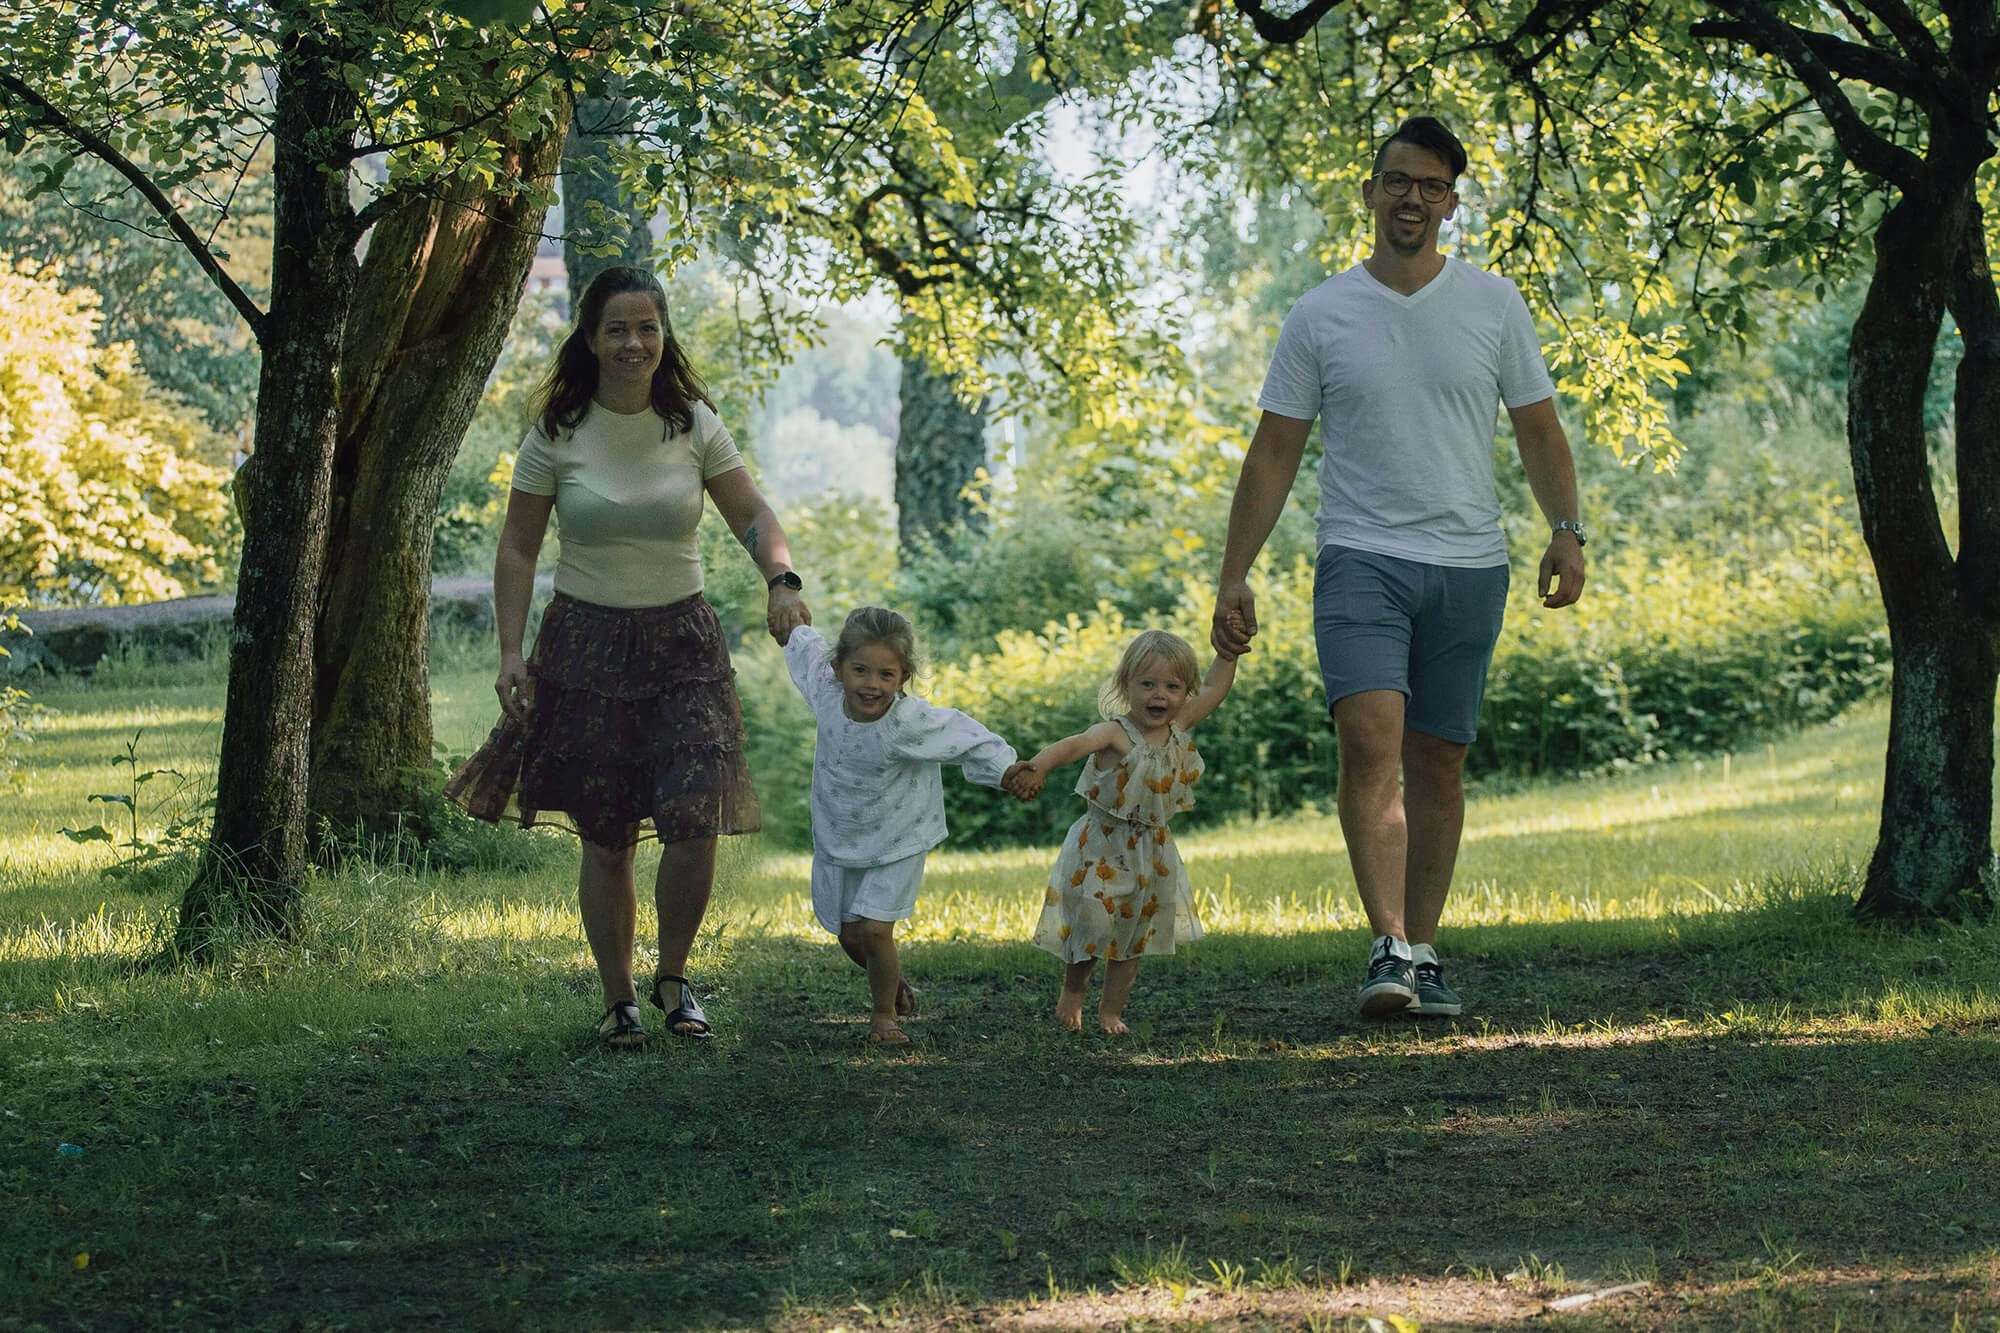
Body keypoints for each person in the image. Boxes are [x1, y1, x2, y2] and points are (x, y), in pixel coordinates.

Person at [1210, 115, 1586, 1021]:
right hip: (1360, 558)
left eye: (1431, 185)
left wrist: (1567, 530)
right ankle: (1385, 942)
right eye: (1398, 181)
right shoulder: (1322, 312)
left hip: (1469, 564)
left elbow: (1538, 428)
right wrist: (1234, 574)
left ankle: (1421, 950)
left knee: (1440, 762)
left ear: (1451, 202)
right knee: (1370, 740)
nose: (1412, 197)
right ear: (1370, 193)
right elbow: (1272, 455)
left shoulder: (1494, 305)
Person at [446, 266, 811, 1049]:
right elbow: (517, 546)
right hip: (585, 646)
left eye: (647, 327)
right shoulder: (557, 431)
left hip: (683, 644)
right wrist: (510, 651)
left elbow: (752, 514)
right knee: (606, 833)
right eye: (617, 328)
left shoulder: (693, 425)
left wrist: (781, 580)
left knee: (695, 818)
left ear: (664, 334)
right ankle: (619, 999)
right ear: (590, 336)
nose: (634, 342)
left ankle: (676, 979)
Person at [782, 606, 1019, 1045]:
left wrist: (1007, 770)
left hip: (899, 836)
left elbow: (963, 735)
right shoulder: (825, 691)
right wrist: (789, 622)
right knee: (851, 936)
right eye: (860, 671)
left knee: (874, 928)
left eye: (886, 675)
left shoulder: (907, 721)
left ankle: (883, 1017)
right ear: (839, 669)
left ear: (903, 677)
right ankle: (891, 982)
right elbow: (805, 650)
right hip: (840, 835)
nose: (871, 685)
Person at [1006, 630, 1237, 1034]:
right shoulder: (1114, 732)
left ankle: (1111, 1011)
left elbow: (1217, 687)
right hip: (1101, 844)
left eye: (1172, 686)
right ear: (1126, 685)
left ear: (1185, 692)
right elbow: (1073, 745)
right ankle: (1073, 992)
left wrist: (1229, 652)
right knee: (1093, 923)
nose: (1159, 695)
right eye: (1147, 684)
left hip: (1152, 848)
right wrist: (1038, 766)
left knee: (1134, 936)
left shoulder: (1178, 726)